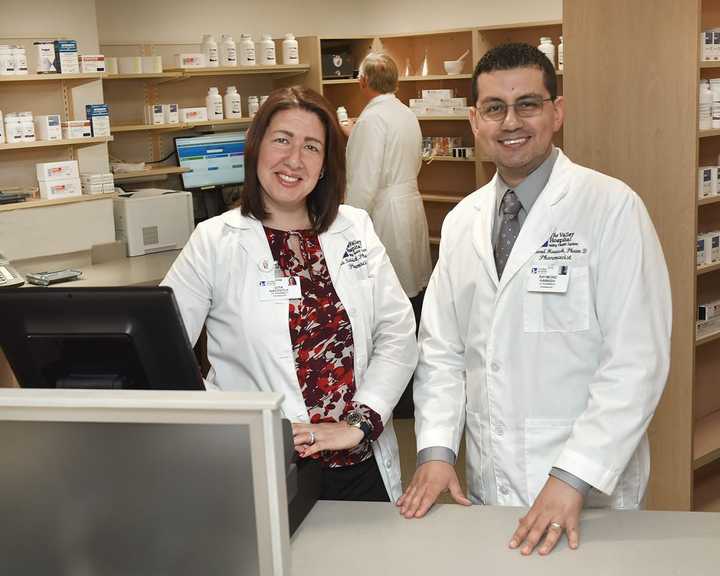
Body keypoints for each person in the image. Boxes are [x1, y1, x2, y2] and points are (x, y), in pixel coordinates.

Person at [398, 43, 672, 556]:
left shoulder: (611, 209)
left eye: (528, 103)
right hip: (490, 484)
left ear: (557, 111)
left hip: (588, 492)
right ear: (475, 120)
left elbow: (637, 361)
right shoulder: (462, 222)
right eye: (495, 108)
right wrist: (436, 451)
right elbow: (441, 349)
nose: (511, 121)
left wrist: (573, 476)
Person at [162, 86, 417, 503]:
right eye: (282, 139)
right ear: (257, 146)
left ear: (325, 165)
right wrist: (238, 425)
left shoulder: (355, 228)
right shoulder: (215, 240)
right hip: (262, 466)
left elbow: (398, 334)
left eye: (311, 147)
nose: (294, 160)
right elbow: (163, 355)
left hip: (358, 464)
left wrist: (361, 421)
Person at [344, 52, 432, 318]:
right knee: (412, 286)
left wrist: (348, 228)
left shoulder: (371, 120)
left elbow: (363, 182)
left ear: (363, 81)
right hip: (409, 203)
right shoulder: (406, 114)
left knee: (389, 294)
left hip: (386, 212)